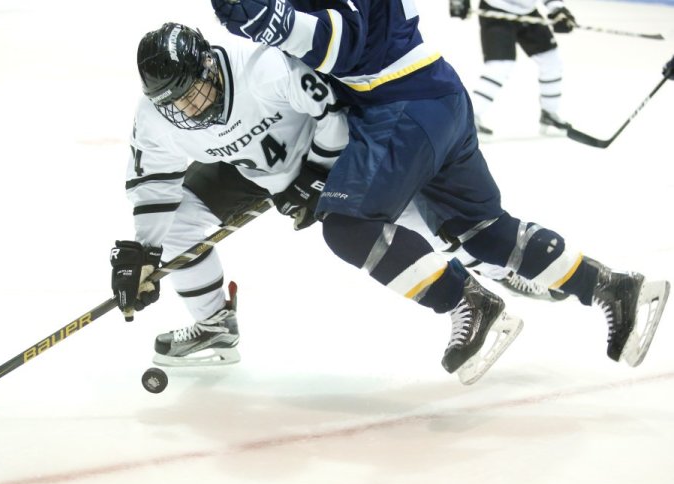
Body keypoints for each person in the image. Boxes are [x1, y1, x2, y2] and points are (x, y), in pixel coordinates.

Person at [211, 0, 670, 384]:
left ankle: (466, 300)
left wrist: (264, 17)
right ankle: (612, 287)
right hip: (431, 96)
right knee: (485, 234)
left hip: (400, 105)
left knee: (348, 226)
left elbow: (344, 41)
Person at [110, 22, 348, 367]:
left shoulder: (260, 66)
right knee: (176, 224)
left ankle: (455, 258)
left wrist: (317, 173)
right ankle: (214, 325)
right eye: (173, 104)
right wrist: (147, 251)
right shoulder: (154, 116)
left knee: (394, 210)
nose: (187, 111)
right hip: (249, 167)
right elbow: (153, 183)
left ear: (208, 66)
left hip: (320, 151)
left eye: (190, 94)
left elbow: (333, 110)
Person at [449, 0, 576, 135]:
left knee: (551, 60)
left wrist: (558, 9)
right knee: (500, 65)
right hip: (496, 10)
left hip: (528, 12)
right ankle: (468, 120)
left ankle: (549, 115)